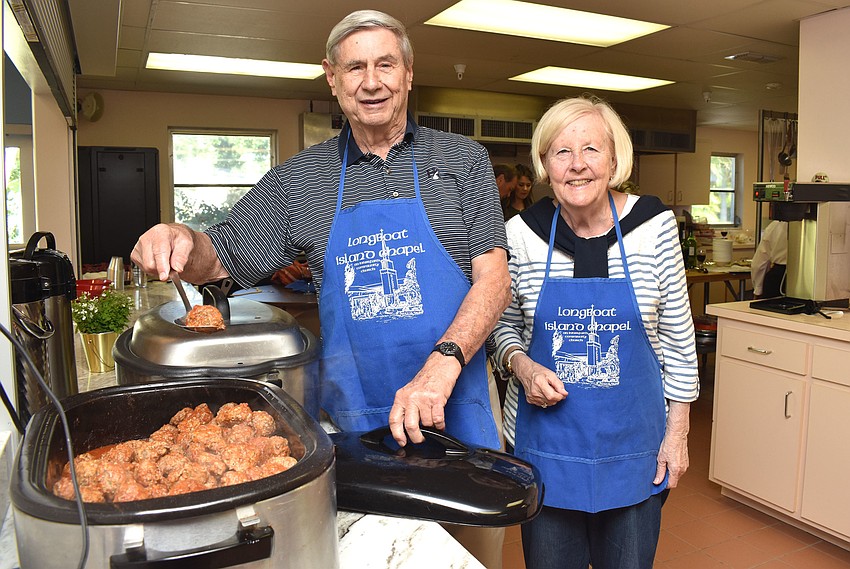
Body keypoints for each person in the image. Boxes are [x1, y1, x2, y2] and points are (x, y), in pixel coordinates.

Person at [131, 10, 509, 567]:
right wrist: (180, 236)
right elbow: (224, 255)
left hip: (458, 415)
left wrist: (441, 365)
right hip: (357, 433)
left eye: (385, 64)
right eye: (355, 67)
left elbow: (494, 280)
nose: (372, 81)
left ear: (407, 73)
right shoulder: (300, 180)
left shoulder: (462, 161)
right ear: (331, 78)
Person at [491, 95, 699, 569]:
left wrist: (678, 434)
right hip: (546, 450)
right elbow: (501, 325)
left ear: (614, 159)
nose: (577, 165)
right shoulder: (522, 232)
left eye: (591, 150)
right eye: (562, 152)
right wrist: (521, 365)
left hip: (635, 450)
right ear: (544, 164)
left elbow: (679, 340)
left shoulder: (655, 226)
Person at [751, 220, 788, 298]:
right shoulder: (815, 224)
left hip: (778, 277)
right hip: (808, 277)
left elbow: (759, 264)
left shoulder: (776, 225)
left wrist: (758, 290)